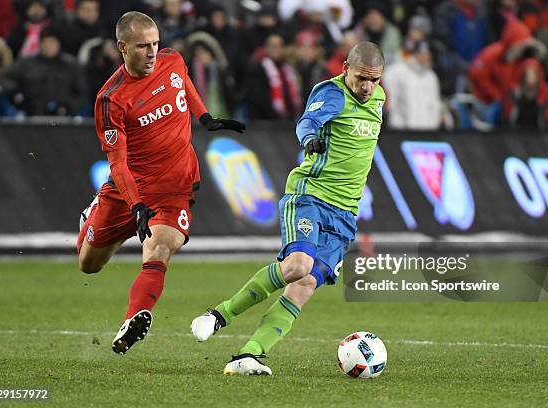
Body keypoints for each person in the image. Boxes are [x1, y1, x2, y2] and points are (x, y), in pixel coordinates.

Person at [191, 41, 386, 375]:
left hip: (344, 215)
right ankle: (217, 315)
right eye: (361, 79)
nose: (367, 87)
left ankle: (249, 354)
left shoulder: (378, 99)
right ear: (345, 70)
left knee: (305, 284)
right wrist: (310, 139)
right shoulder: (333, 93)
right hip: (310, 197)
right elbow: (306, 122)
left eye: (374, 80)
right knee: (297, 265)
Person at [76, 11, 245, 355]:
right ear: (122, 48)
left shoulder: (172, 60)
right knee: (89, 264)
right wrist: (135, 204)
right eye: (143, 46)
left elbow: (182, 80)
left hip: (174, 186)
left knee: (161, 247)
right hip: (128, 190)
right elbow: (118, 163)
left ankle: (134, 317)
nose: (153, 52)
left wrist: (205, 117)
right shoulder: (111, 99)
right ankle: (93, 213)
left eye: (155, 44)